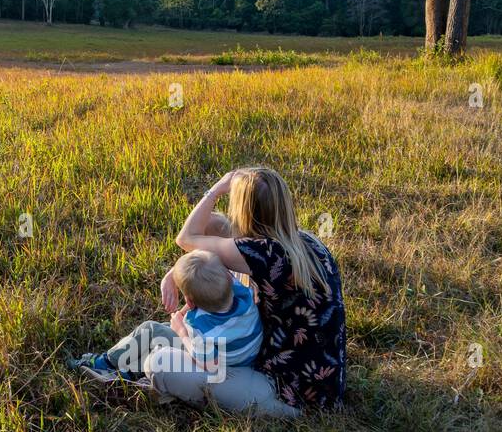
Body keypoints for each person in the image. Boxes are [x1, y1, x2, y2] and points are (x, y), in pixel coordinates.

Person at [149, 166, 347, 416]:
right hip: (317, 384)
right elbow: (211, 235)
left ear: (244, 210)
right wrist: (173, 273)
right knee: (167, 341)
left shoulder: (262, 253)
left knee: (159, 364)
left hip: (286, 394)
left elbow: (187, 237)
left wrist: (217, 189)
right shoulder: (303, 241)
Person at [72, 244, 262, 383]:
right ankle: (130, 374)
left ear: (189, 301)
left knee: (151, 330)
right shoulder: (243, 294)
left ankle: (104, 362)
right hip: (241, 355)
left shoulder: (200, 328)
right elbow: (214, 256)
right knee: (161, 340)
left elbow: (209, 362)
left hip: (221, 362)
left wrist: (181, 331)